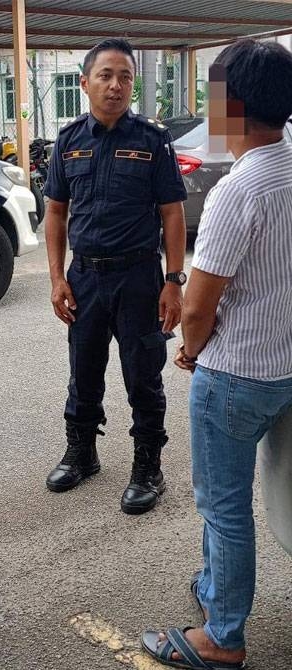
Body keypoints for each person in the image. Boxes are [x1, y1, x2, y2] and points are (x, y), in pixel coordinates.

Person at [141, 39, 292, 670]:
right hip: (284, 366)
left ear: (232, 105)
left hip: (236, 374)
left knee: (224, 506)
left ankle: (222, 637)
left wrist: (190, 349)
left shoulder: (241, 188)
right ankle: (214, 593)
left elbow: (199, 304)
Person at [43, 38, 187, 514]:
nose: (116, 85)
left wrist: (174, 279)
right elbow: (57, 214)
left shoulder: (151, 140)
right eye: (105, 75)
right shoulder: (68, 142)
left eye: (125, 76)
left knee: (143, 376)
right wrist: (56, 279)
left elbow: (171, 213)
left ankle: (148, 467)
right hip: (84, 277)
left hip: (139, 279)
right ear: (85, 83)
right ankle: (82, 453)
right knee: (83, 373)